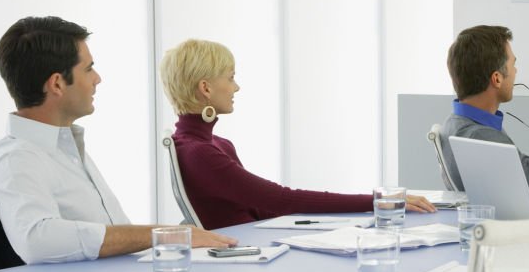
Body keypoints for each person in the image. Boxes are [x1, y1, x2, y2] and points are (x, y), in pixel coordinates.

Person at [0, 17, 237, 264]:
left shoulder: (67, 148)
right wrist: (163, 235)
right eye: (88, 69)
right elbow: (37, 240)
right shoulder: (16, 157)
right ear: (57, 83)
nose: (97, 78)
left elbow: (115, 235)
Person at [159, 39, 435, 229]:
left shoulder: (214, 144)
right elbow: (280, 199)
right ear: (206, 88)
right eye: (230, 78)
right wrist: (376, 201)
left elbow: (267, 208)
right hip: (244, 264)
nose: (237, 87)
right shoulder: (200, 153)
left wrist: (344, 221)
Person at [440, 25, 529, 199]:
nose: (516, 71)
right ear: (497, 78)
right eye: (513, 64)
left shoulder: (455, 123)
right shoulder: (480, 136)